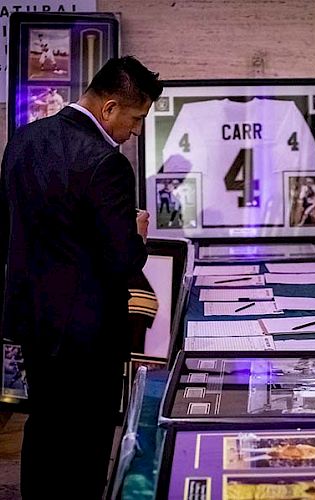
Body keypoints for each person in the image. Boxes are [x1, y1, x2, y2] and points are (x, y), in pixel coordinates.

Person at [0, 56, 162, 499]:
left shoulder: (23, 141)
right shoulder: (105, 163)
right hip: (88, 334)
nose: (136, 131)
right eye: (136, 117)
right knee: (86, 443)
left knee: (46, 426)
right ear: (109, 108)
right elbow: (123, 261)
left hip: (36, 322)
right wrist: (138, 234)